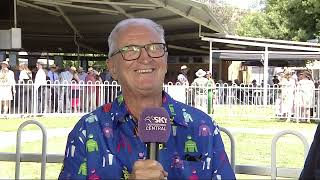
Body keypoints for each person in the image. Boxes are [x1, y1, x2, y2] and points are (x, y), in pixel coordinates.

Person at [59, 18, 235, 180]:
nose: (145, 58)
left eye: (155, 48)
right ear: (112, 68)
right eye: (130, 50)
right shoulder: (87, 131)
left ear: (165, 60)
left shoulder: (202, 126)